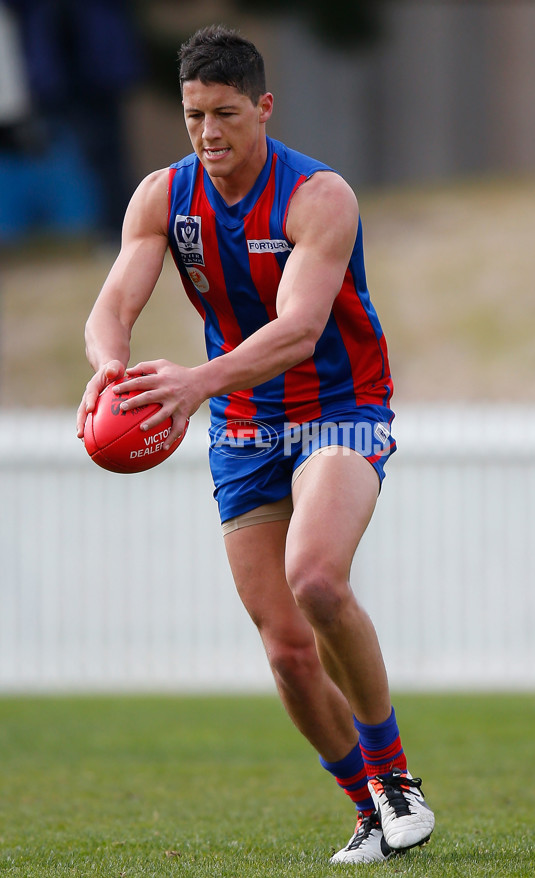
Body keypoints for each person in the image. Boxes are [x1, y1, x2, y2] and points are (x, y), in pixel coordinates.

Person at [76, 24, 435, 864]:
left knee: (315, 577)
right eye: (195, 114)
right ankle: (369, 808)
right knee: (284, 648)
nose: (209, 133)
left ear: (264, 107)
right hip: (245, 424)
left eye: (227, 114)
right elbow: (113, 305)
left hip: (340, 406)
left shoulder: (320, 196)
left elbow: (301, 330)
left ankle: (398, 779)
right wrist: (108, 369)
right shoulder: (162, 197)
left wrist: (195, 385)